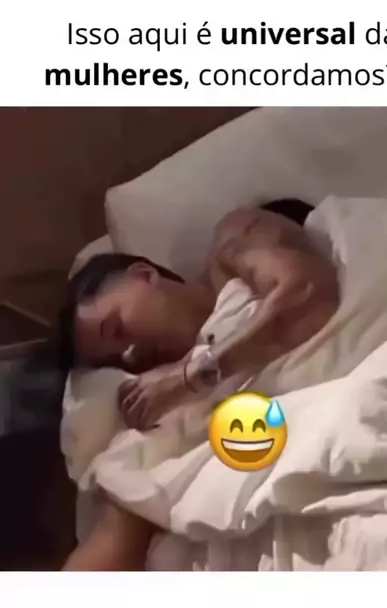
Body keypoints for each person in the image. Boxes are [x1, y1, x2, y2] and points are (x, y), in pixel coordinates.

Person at [62, 198, 340, 569]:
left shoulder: (234, 241)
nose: (129, 354)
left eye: (116, 328)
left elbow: (308, 295)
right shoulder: (166, 403)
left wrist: (192, 376)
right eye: (116, 360)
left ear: (143, 274)